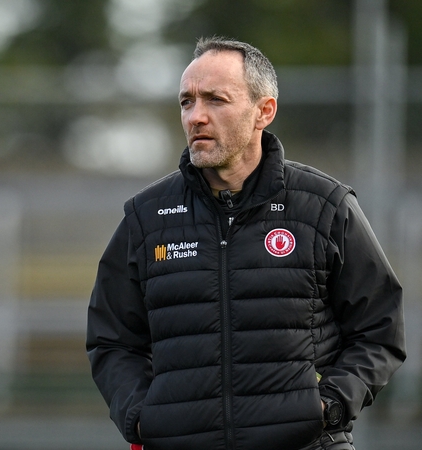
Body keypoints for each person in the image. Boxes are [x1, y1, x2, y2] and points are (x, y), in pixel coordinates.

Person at [86, 36, 405, 450]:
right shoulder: (147, 217)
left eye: (215, 100)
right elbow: (112, 341)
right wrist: (143, 418)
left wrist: (330, 406)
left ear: (263, 111)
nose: (196, 117)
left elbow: (379, 327)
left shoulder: (324, 206)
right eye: (187, 102)